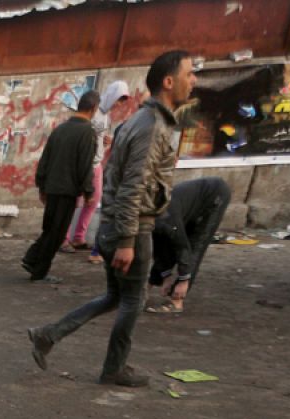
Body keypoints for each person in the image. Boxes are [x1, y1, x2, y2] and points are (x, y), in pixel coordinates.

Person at [28, 50, 198, 388]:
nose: (193, 81)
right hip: (131, 229)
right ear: (168, 81)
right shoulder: (150, 126)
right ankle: (114, 368)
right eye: (189, 73)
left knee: (115, 297)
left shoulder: (136, 122)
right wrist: (126, 241)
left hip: (114, 225)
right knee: (133, 300)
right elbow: (133, 185)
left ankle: (48, 335)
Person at [23, 90, 99, 283]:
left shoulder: (60, 129)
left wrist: (41, 185)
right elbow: (85, 164)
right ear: (93, 109)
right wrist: (89, 190)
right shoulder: (87, 133)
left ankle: (32, 259)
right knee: (56, 234)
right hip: (67, 190)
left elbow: (45, 159)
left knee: (50, 229)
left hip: (52, 187)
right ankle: (38, 268)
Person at [146, 177, 230, 314]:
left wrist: (184, 280)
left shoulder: (165, 219)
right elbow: (159, 248)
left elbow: (182, 247)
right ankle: (144, 291)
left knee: (196, 243)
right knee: (164, 243)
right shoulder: (149, 220)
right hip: (187, 206)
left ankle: (176, 301)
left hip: (214, 197)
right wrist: (166, 275)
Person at [68, 81, 132, 251]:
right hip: (84, 163)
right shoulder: (93, 111)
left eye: (122, 101)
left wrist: (108, 141)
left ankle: (78, 237)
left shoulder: (106, 116)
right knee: (74, 201)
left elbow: (102, 136)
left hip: (96, 164)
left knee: (93, 200)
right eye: (119, 99)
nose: (119, 104)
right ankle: (64, 238)